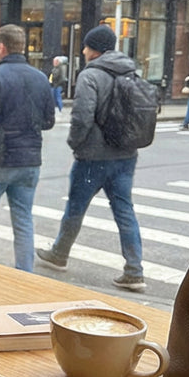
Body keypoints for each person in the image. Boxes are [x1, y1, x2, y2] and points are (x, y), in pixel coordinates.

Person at [36, 24, 146, 291]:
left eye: (86, 46)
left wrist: (75, 143)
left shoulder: (90, 75)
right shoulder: (131, 72)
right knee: (124, 210)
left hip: (93, 157)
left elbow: (82, 117)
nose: (83, 51)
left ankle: (59, 254)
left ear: (95, 49)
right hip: (125, 155)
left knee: (75, 207)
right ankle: (134, 269)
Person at [0, 24, 55, 273]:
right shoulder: (40, 78)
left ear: (1, 47)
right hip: (29, 162)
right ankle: (26, 273)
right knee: (23, 220)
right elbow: (48, 121)